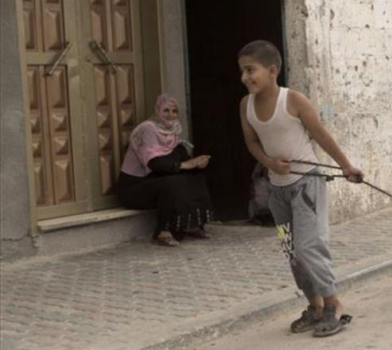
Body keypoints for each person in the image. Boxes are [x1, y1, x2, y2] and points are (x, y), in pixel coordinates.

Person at [238, 40, 364, 337]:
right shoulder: (245, 105)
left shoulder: (293, 100)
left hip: (306, 184)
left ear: (272, 71)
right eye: (241, 72)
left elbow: (320, 134)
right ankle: (315, 306)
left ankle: (334, 305)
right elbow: (251, 142)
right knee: (291, 249)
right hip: (276, 190)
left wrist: (346, 166)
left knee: (309, 247)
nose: (244, 78)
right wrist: (269, 162)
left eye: (249, 70)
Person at [117, 93, 214, 247]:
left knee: (195, 176)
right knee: (172, 183)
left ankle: (192, 224)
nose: (170, 115)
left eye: (174, 111)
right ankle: (163, 231)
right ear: (157, 111)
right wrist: (185, 165)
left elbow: (172, 162)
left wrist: (195, 164)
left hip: (153, 181)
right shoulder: (147, 129)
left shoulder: (174, 131)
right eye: (166, 110)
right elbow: (154, 164)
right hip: (133, 188)